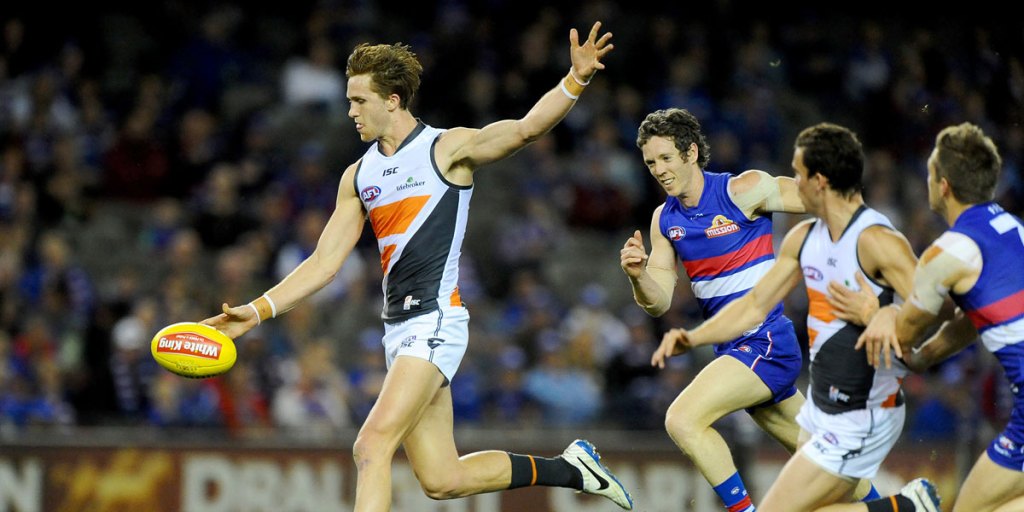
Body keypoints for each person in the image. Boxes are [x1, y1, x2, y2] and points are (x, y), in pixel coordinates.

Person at [202, 23, 633, 511]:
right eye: (348, 100)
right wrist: (255, 312)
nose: (350, 111)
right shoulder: (358, 175)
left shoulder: (446, 149)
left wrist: (574, 80)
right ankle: (572, 467)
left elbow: (524, 129)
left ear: (392, 100)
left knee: (370, 446)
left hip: (435, 319)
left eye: (360, 100)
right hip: (398, 331)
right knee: (442, 479)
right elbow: (323, 263)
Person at [647, 123, 941, 511]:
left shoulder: (743, 190)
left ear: (691, 154)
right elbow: (657, 302)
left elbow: (826, 201)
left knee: (682, 419)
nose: (658, 168)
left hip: (764, 343)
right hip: (735, 349)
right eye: (650, 161)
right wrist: (638, 277)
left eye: (666, 158)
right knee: (826, 466)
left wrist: (869, 256)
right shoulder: (664, 220)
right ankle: (907, 506)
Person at [851, 123, 1024, 511]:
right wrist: (929, 356)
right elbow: (974, 318)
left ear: (943, 185)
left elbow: (904, 333)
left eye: (930, 173)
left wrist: (873, 312)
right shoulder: (1012, 229)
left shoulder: (946, 254)